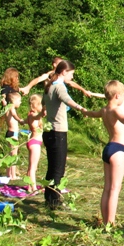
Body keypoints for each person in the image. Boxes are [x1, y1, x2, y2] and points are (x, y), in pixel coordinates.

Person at [81, 80, 124, 225]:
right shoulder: (116, 110)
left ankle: (105, 221)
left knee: (107, 188)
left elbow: (92, 113)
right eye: (123, 95)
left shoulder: (104, 110)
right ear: (117, 95)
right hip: (117, 150)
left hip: (108, 148)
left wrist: (85, 112)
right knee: (115, 189)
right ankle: (110, 223)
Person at [42, 60, 87, 209]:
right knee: (58, 170)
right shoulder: (59, 87)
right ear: (64, 72)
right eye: (71, 74)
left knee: (51, 167)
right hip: (58, 133)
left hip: (49, 131)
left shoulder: (49, 86)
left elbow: (43, 106)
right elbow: (67, 100)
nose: (72, 77)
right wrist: (81, 108)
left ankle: (49, 199)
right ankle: (55, 202)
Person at [21, 56, 93, 97]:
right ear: (54, 64)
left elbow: (71, 83)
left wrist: (83, 90)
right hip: (50, 99)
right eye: (60, 63)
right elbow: (38, 79)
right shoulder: (49, 74)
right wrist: (28, 87)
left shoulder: (61, 75)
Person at [25, 94, 45, 192]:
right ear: (35, 105)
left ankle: (29, 186)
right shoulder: (33, 115)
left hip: (33, 142)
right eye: (41, 105)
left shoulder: (29, 115)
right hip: (35, 143)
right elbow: (38, 116)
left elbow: (23, 121)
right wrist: (43, 112)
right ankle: (34, 187)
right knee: (33, 167)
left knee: (31, 167)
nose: (42, 106)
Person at [3, 92, 26, 179]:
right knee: (14, 156)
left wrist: (3, 98)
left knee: (10, 155)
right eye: (19, 100)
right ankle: (13, 175)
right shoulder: (11, 107)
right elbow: (14, 115)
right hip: (13, 134)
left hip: (10, 133)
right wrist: (20, 120)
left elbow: (4, 103)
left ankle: (8, 174)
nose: (20, 102)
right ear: (14, 101)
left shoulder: (6, 107)